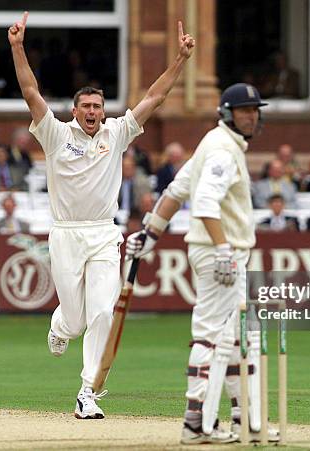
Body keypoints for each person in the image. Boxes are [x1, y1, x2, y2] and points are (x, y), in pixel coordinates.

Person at [8, 11, 195, 420]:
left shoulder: (117, 132)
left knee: (102, 312)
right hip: (66, 234)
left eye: (98, 105)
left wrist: (179, 61)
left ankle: (87, 391)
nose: (93, 111)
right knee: (74, 321)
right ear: (75, 111)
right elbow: (30, 92)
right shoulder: (55, 133)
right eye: (86, 106)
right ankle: (59, 327)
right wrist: (18, 48)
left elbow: (154, 98)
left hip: (104, 235)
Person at [126, 83, 278, 444]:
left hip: (217, 250)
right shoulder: (223, 150)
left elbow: (175, 192)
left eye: (255, 111)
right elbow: (206, 203)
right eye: (244, 111)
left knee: (239, 336)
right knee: (212, 334)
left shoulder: (213, 144)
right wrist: (224, 249)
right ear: (227, 113)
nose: (252, 116)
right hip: (220, 254)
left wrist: (150, 233)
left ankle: (244, 420)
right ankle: (196, 422)